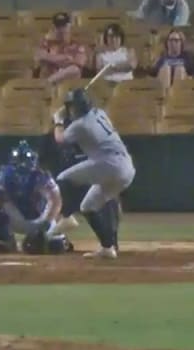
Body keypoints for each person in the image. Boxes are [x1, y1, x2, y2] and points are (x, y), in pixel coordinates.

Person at [47, 88, 135, 260]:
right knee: (88, 206)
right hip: (126, 167)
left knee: (62, 179)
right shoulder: (99, 113)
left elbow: (60, 139)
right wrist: (69, 110)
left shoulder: (81, 125)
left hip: (109, 164)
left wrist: (58, 120)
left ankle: (66, 216)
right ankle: (107, 247)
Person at [0, 141, 73, 255]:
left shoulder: (42, 174)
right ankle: (7, 242)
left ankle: (60, 239)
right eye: (20, 161)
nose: (23, 164)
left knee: (52, 247)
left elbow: (56, 200)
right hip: (16, 218)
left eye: (25, 161)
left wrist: (47, 221)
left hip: (42, 220)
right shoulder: (4, 173)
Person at [34, 12, 88, 86]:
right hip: (50, 75)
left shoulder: (77, 44)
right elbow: (39, 57)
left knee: (75, 69)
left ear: (69, 26)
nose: (61, 29)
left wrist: (50, 59)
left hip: (68, 83)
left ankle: (48, 82)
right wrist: (65, 58)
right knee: (44, 69)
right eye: (58, 26)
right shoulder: (46, 42)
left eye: (64, 26)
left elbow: (81, 62)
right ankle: (49, 83)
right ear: (53, 27)